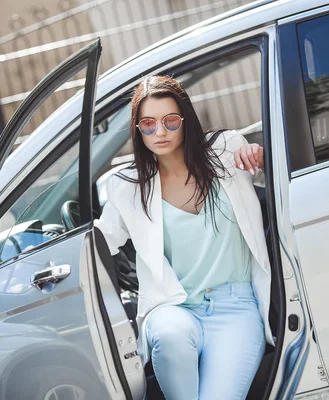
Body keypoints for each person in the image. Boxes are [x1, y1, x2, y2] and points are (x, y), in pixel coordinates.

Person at [94, 75, 275, 399]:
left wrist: (259, 156)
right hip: (174, 308)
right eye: (148, 124)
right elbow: (100, 241)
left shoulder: (226, 150)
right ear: (138, 129)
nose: (159, 132)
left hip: (236, 307)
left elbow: (269, 176)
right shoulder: (129, 187)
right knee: (169, 335)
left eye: (170, 121)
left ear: (185, 119)